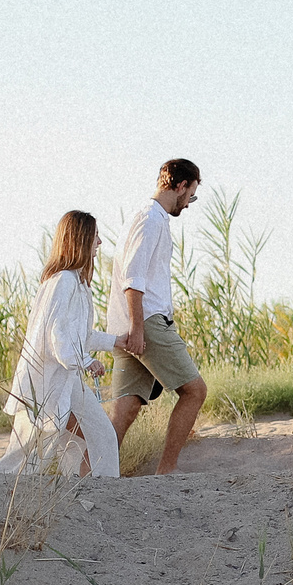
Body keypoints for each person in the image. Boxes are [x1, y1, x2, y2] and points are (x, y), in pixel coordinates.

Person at [0, 210, 122, 478]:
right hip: (45, 381)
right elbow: (56, 337)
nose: (99, 243)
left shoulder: (78, 284)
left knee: (101, 437)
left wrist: (117, 342)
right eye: (95, 236)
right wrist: (85, 361)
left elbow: (81, 336)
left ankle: (97, 500)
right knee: (25, 453)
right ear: (81, 239)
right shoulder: (62, 281)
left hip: (66, 380)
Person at [108, 157, 210, 475]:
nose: (189, 203)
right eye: (190, 195)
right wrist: (139, 328)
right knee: (194, 391)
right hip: (146, 321)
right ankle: (166, 470)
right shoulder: (150, 219)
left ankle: (97, 474)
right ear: (180, 186)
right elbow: (133, 279)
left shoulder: (149, 217)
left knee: (127, 407)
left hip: (129, 323)